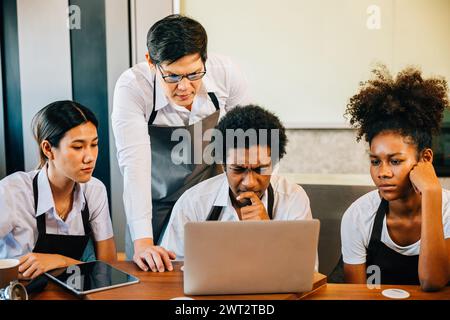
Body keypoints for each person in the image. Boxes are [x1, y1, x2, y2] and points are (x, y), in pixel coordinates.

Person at [112, 14, 251, 272]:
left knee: (217, 275)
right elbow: (134, 166)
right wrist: (143, 242)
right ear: (152, 64)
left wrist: (248, 203)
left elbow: (244, 147)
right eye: (173, 77)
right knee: (150, 278)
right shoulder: (132, 88)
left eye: (194, 74)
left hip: (208, 199)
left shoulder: (226, 74)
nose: (185, 87)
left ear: (205, 60)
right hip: (154, 203)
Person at [161, 105, 317, 270]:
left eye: (260, 169)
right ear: (223, 164)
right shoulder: (193, 202)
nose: (249, 182)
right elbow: (173, 270)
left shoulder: (292, 199)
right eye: (238, 169)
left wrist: (269, 232)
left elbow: (307, 273)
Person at [341, 65, 450, 291]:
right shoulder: (358, 216)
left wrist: (431, 193)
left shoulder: (448, 210)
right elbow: (357, 295)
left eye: (395, 161)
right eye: (375, 161)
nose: (383, 172)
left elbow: (433, 281)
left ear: (425, 158)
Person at [0, 101, 116, 279]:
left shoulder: (95, 190)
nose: (90, 157)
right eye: (78, 147)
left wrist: (60, 261)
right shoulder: (12, 191)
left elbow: (108, 268)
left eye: (94, 144)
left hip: (73, 291)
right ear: (48, 149)